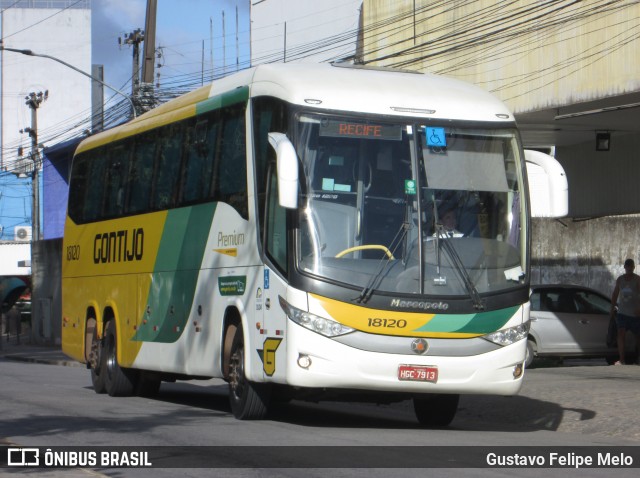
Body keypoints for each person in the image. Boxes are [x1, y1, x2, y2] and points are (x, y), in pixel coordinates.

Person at [610, 258, 640, 365]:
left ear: (633, 267)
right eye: (627, 266)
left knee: (638, 336)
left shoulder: (637, 280)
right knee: (620, 334)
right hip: (622, 313)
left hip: (635, 314)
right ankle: (622, 359)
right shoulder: (620, 280)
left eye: (631, 266)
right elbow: (615, 294)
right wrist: (612, 308)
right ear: (625, 267)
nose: (629, 268)